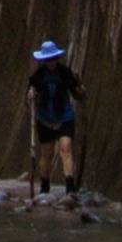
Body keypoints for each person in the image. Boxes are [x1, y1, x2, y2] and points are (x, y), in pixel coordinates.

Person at [24, 38, 83, 196]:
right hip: (45, 119)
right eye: (48, 59)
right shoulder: (38, 75)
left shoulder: (65, 73)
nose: (51, 62)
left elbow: (76, 93)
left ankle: (70, 188)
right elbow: (30, 93)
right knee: (47, 154)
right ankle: (45, 188)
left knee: (66, 149)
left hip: (64, 116)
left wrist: (81, 92)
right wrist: (30, 95)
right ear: (44, 60)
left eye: (54, 59)